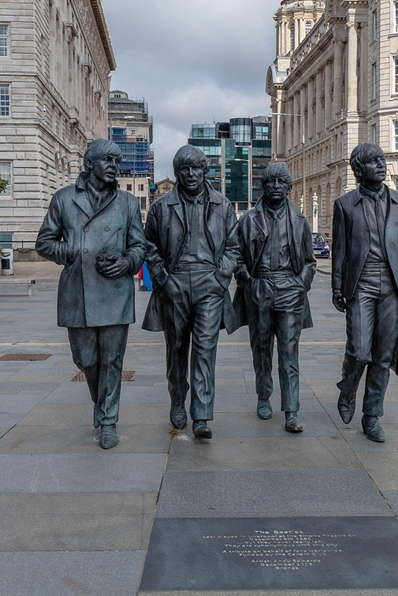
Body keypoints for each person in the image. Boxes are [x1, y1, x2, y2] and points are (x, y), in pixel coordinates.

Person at [35, 139, 146, 450]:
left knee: (112, 360)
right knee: (85, 359)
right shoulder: (64, 199)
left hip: (114, 291)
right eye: (107, 160)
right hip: (78, 292)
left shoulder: (127, 203)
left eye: (117, 160)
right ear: (89, 164)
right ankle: (102, 403)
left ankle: (109, 421)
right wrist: (69, 250)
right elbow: (44, 242)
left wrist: (127, 261)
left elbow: (140, 245)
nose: (114, 166)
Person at [142, 145, 240, 439]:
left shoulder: (223, 206)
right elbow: (149, 247)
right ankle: (177, 401)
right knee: (177, 349)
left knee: (205, 351)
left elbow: (234, 247)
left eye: (196, 168)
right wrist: (163, 278)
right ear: (177, 173)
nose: (191, 174)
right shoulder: (161, 207)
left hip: (209, 285)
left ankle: (201, 414)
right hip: (174, 284)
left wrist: (220, 276)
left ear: (205, 170)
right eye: (184, 169)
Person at [331, 142, 398, 443]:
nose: (382, 165)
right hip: (361, 284)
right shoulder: (345, 205)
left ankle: (372, 415)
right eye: (374, 161)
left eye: (382, 159)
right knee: (359, 350)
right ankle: (347, 389)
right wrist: (337, 287)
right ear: (359, 169)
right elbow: (340, 252)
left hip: (395, 287)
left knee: (383, 356)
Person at [233, 163, 315, 433]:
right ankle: (264, 396)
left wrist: (299, 284)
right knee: (262, 350)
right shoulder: (248, 219)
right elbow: (236, 256)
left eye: (281, 182)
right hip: (260, 288)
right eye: (271, 182)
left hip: (290, 289)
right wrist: (249, 283)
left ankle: (291, 410)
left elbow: (309, 261)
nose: (276, 186)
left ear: (289, 187)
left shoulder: (299, 220)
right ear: (263, 186)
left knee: (289, 353)